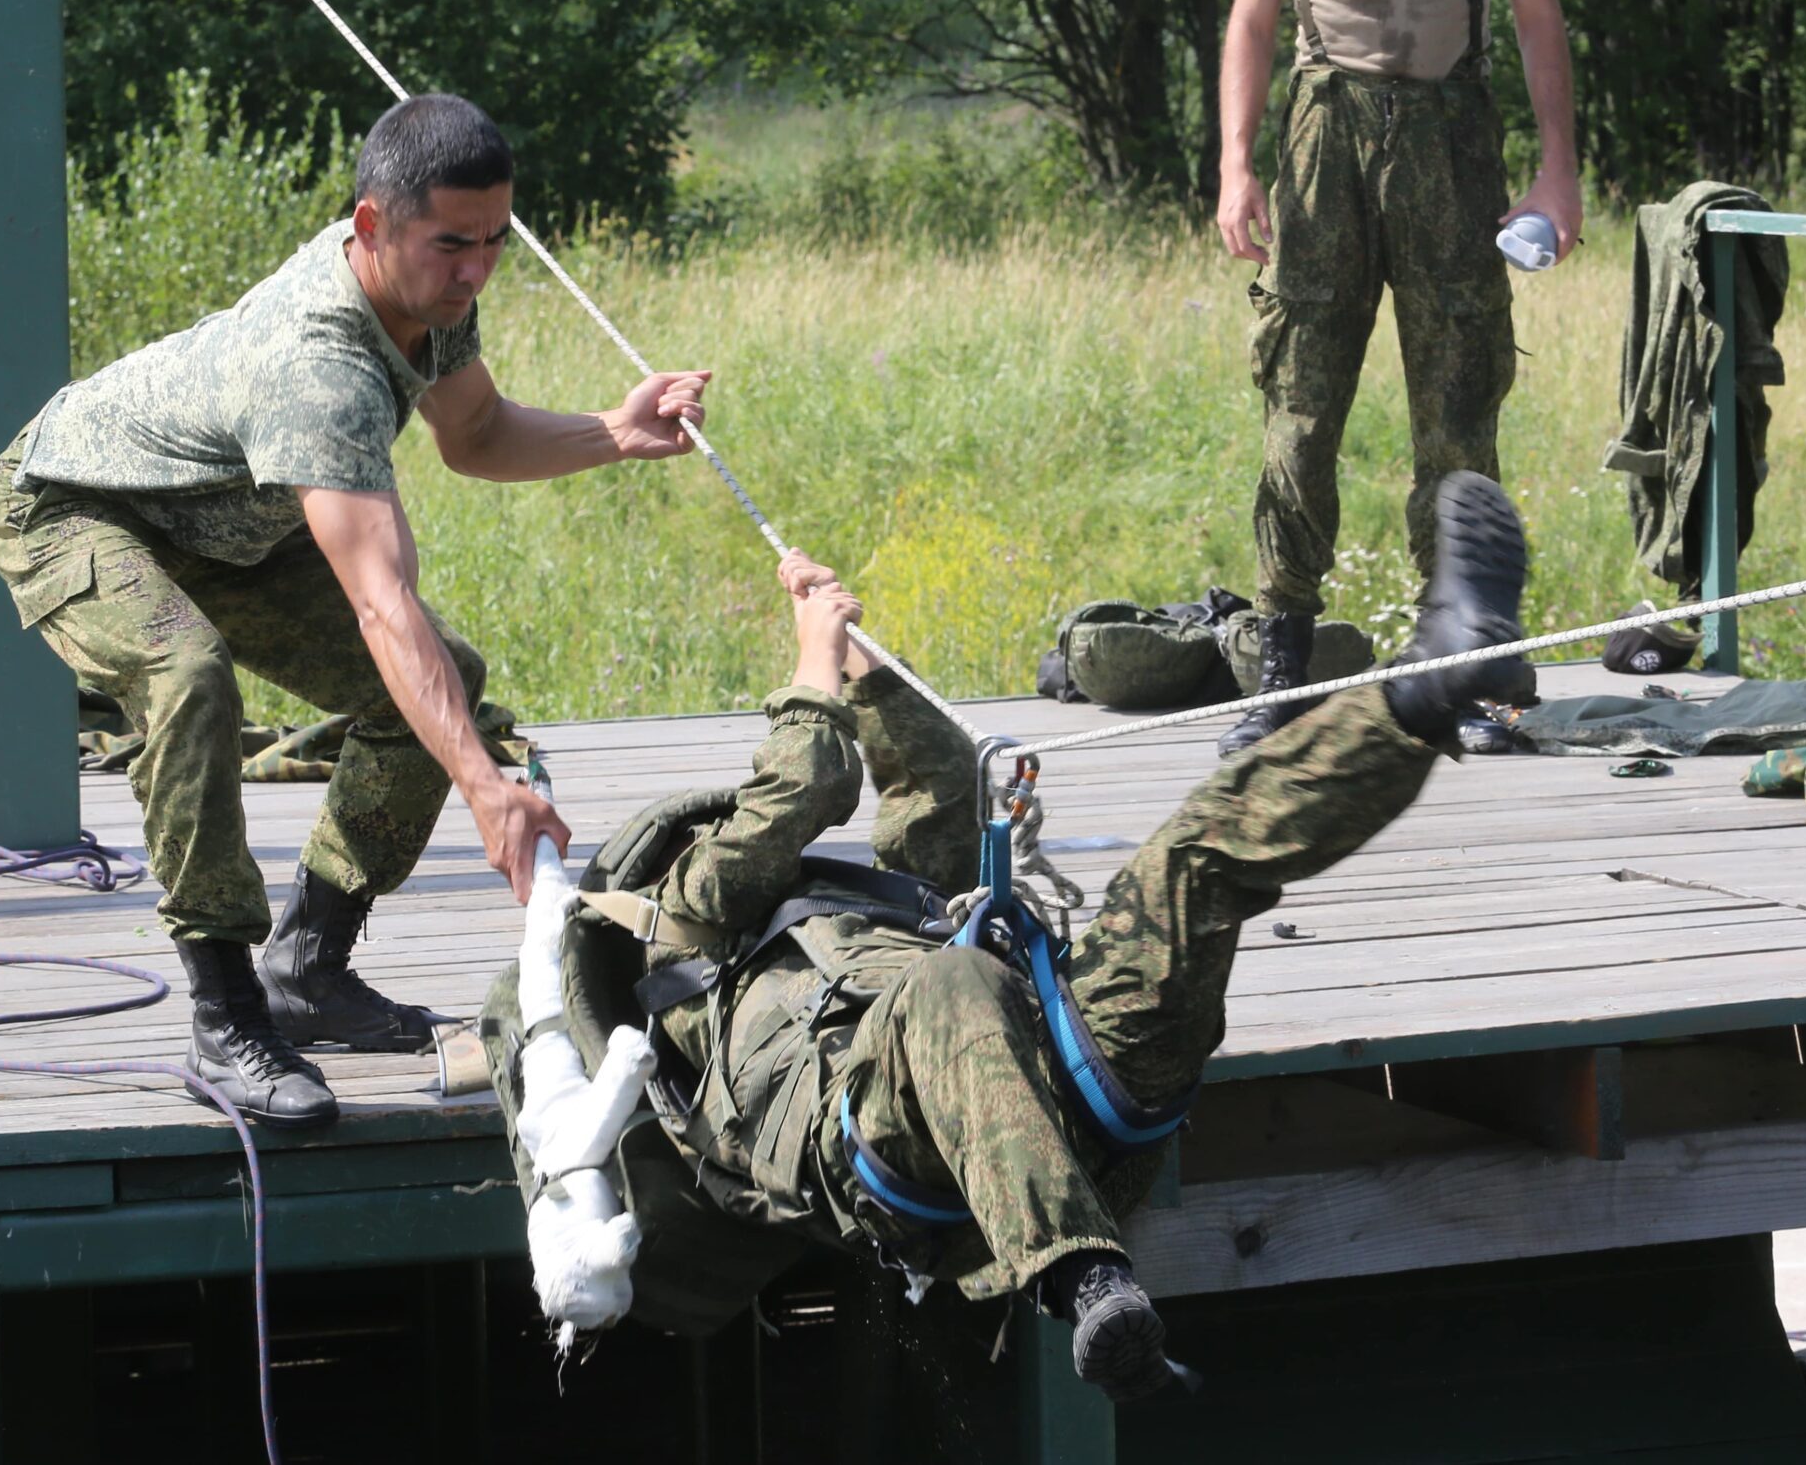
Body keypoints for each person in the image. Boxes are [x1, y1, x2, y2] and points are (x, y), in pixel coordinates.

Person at [522, 471, 1531, 1398]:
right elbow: (804, 783)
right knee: (951, 983)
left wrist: (867, 670)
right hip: (885, 1139)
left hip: (1061, 1084)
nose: (757, 840)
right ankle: (1085, 1282)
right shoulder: (682, 921)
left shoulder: (873, 908)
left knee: (1187, 862)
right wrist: (811, 662)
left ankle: (1422, 688)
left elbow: (939, 778)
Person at [0, 93, 712, 1128]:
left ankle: (308, 967)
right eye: (452, 244)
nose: (475, 270)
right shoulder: (314, 364)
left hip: (225, 524)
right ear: (371, 225)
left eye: (495, 242)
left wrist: (613, 431)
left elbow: (478, 431)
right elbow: (380, 600)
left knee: (436, 685)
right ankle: (225, 1013)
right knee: (190, 681)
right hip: (73, 505)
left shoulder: (428, 294)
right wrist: (487, 786)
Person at [1210, 0, 1580, 756]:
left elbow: (1534, 15)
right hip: (1324, 136)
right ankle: (1279, 668)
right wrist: (1234, 161)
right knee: (1301, 407)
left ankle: (1475, 670)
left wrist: (1557, 167)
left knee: (1461, 409)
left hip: (1451, 133)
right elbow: (1254, 18)